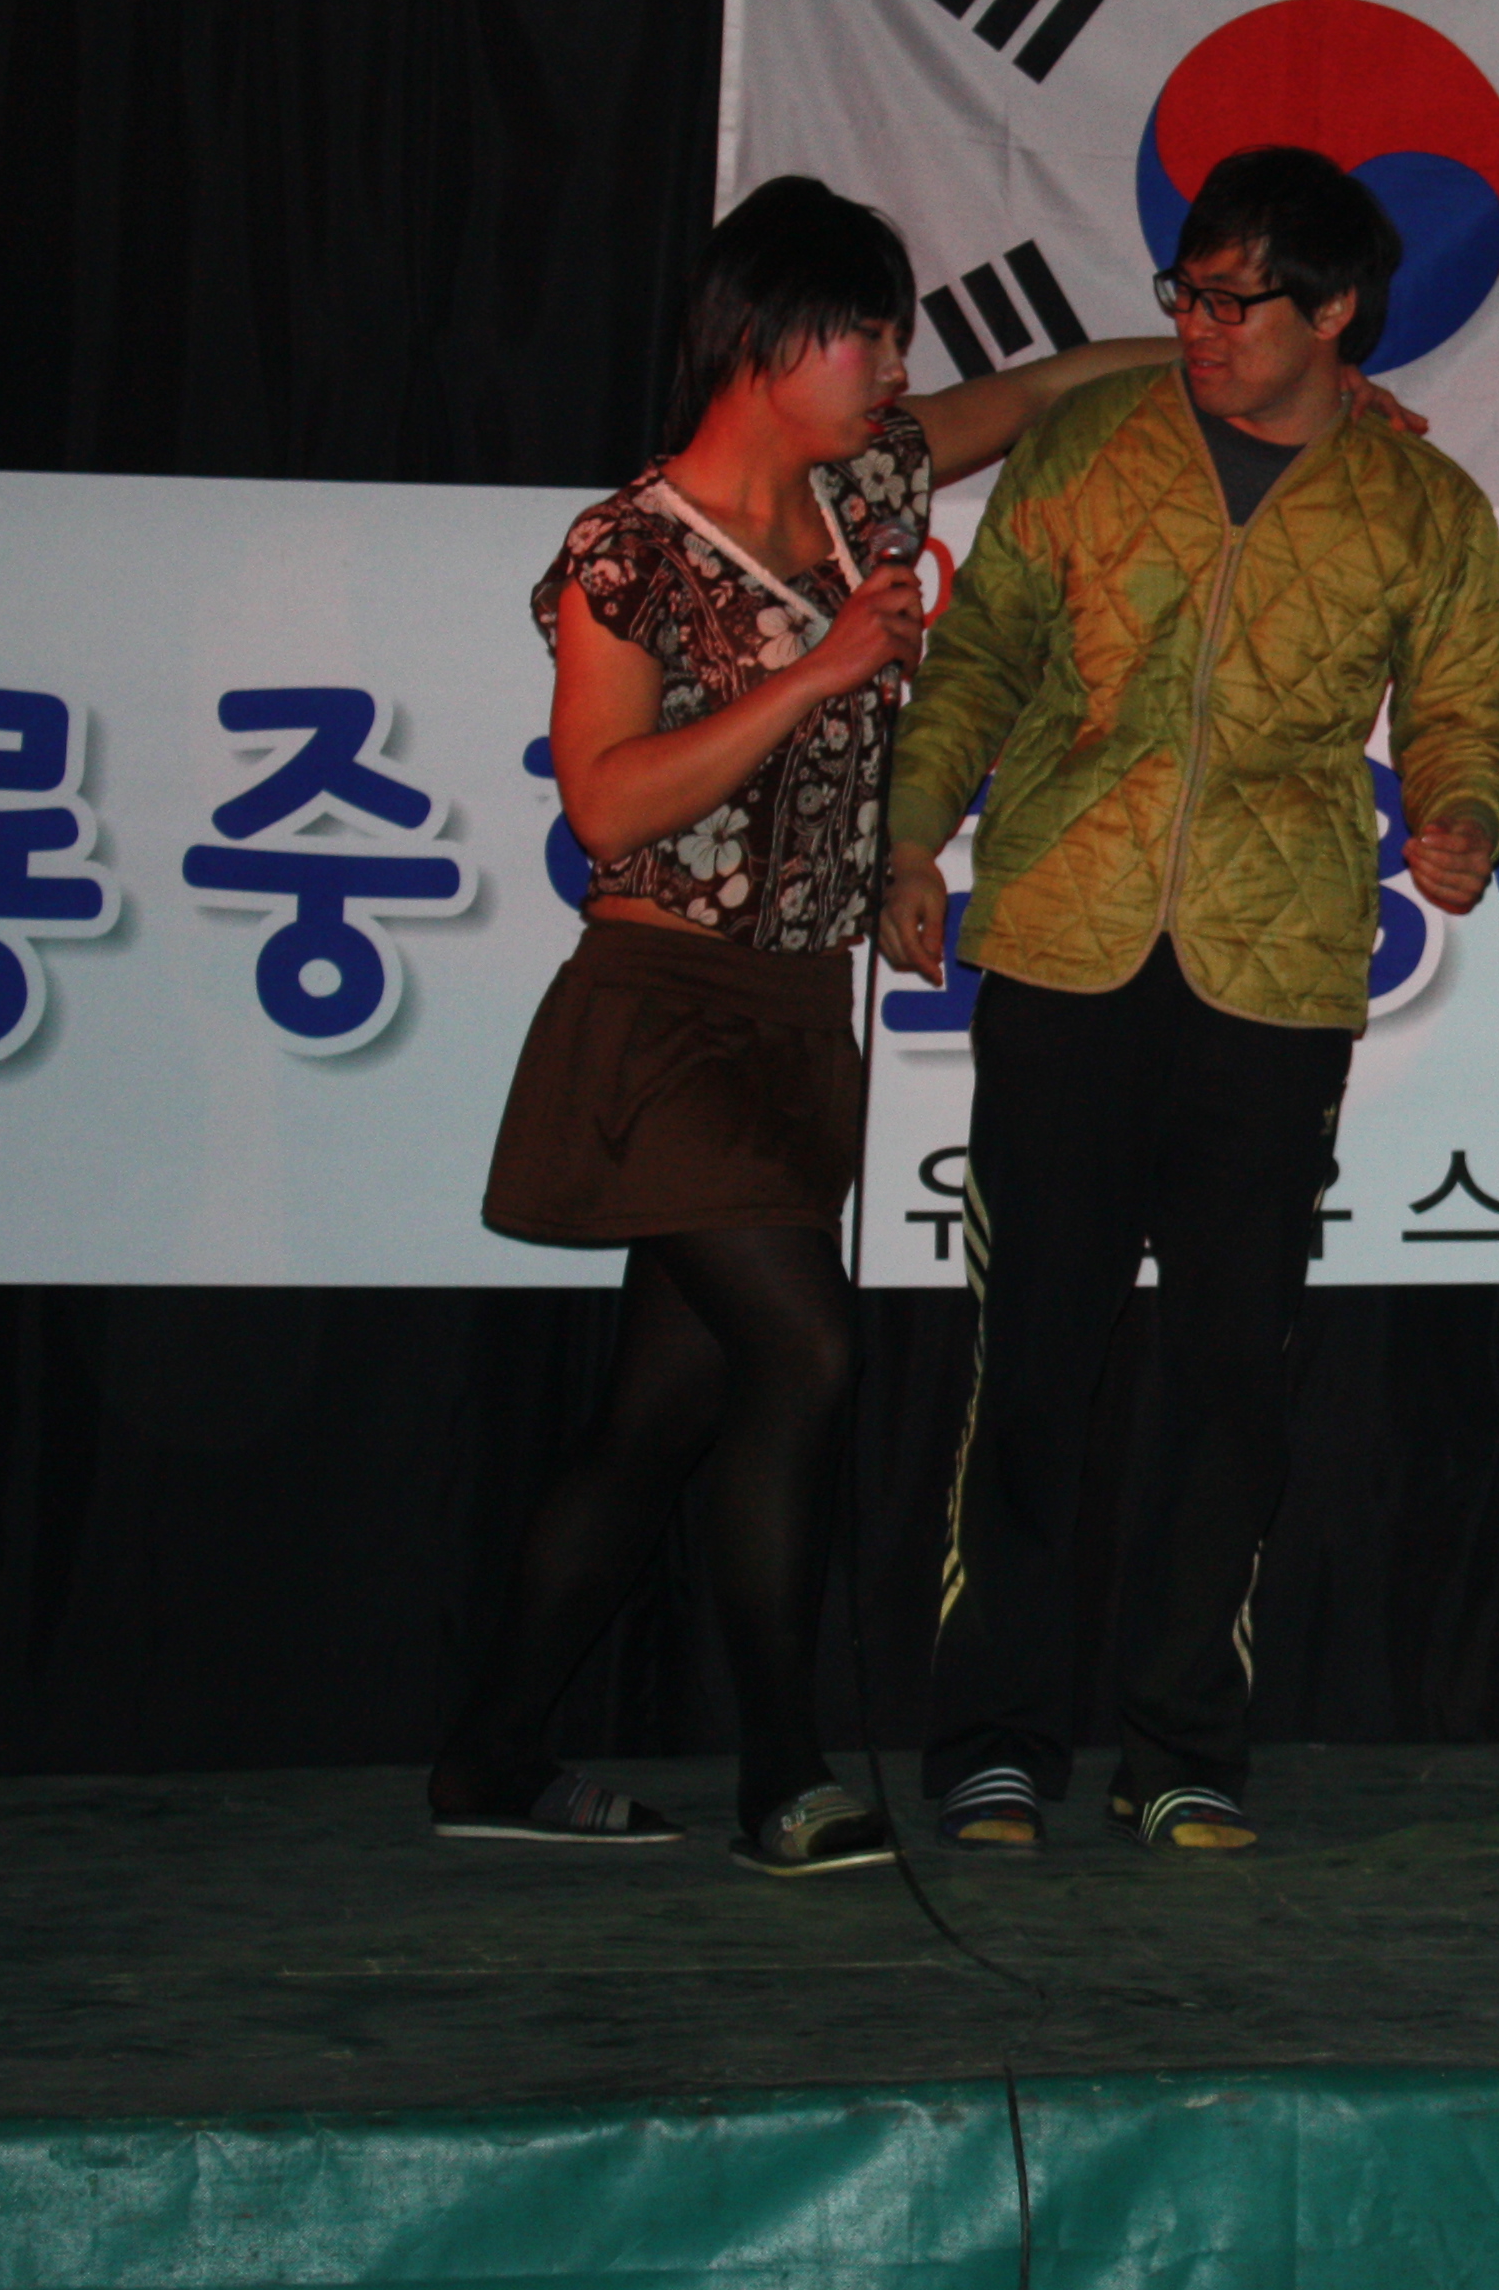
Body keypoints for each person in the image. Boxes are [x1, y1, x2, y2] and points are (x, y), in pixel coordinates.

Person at [449, 174, 1157, 1876]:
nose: (896, 369)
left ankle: (490, 1753)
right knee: (807, 1354)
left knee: (659, 1414)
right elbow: (608, 804)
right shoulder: (629, 550)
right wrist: (822, 670)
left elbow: (1045, 389)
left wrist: (1235, 367)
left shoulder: (866, 483)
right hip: (663, 1013)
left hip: (791, 1014)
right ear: (770, 338)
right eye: (869, 336)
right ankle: (786, 1774)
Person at [874, 143, 1499, 1858]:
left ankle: (1181, 1746)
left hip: (1272, 972)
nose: (1200, 327)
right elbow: (980, 656)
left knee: (1234, 1371)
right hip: (1065, 945)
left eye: (1238, 301)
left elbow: (1466, 707)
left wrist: (1466, 815)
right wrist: (912, 833)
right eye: (1188, 292)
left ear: (1336, 312)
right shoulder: (1091, 445)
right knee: (1034, 1354)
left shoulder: (1421, 505)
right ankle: (995, 1740)